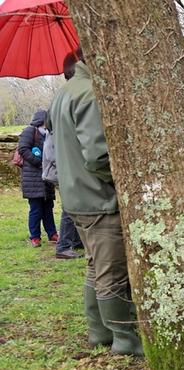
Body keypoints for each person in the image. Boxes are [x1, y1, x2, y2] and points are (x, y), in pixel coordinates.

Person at [49, 50, 143, 356]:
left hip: (77, 196)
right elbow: (98, 155)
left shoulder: (66, 91)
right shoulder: (89, 93)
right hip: (98, 197)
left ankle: (99, 332)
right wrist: (124, 183)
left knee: (95, 266)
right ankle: (125, 339)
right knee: (111, 271)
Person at [47, 52, 84, 259]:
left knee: (73, 207)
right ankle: (63, 246)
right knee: (70, 208)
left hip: (64, 163)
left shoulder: (61, 98)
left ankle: (75, 241)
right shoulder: (68, 97)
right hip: (67, 164)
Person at [19, 109, 57, 248]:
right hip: (33, 178)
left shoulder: (48, 134)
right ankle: (35, 237)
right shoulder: (30, 131)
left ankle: (52, 233)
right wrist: (39, 162)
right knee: (36, 208)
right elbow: (23, 149)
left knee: (48, 207)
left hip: (46, 177)